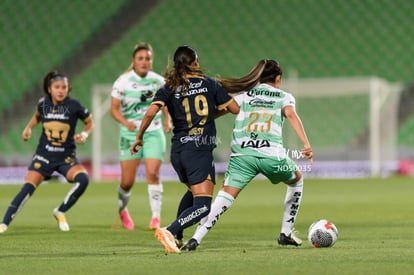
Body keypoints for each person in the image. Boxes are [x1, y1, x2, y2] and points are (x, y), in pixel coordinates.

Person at [180, 59, 313, 251]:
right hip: (272, 156)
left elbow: (220, 111)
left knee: (224, 197)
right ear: (278, 79)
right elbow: (291, 115)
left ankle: (196, 238)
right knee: (296, 180)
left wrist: (196, 123)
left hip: (242, 156)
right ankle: (286, 232)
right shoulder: (284, 96)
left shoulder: (244, 96)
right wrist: (306, 143)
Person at [129, 45, 240, 253]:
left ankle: (178, 236)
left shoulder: (168, 88)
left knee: (192, 191)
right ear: (195, 62)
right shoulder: (209, 84)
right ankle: (170, 230)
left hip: (178, 151)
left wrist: (138, 137)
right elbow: (235, 109)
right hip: (199, 150)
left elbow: (150, 113)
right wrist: (214, 112)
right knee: (204, 206)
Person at [0, 71, 94, 233]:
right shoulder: (43, 104)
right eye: (57, 87)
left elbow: (90, 122)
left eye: (64, 87)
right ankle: (4, 223)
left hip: (66, 157)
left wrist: (84, 134)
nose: (61, 90)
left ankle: (60, 211)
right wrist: (28, 128)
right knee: (27, 188)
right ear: (50, 89)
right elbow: (37, 116)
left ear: (68, 89)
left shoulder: (74, 106)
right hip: (44, 155)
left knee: (83, 180)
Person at [110, 42, 171, 230]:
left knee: (153, 173)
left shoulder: (159, 81)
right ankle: (122, 210)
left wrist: (168, 120)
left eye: (148, 58)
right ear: (134, 61)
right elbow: (114, 109)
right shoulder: (123, 81)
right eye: (141, 58)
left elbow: (166, 103)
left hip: (153, 132)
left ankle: (155, 217)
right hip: (130, 134)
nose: (144, 62)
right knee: (127, 182)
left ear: (151, 61)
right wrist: (125, 122)